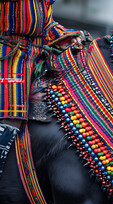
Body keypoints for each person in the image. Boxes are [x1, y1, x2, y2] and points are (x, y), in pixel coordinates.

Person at [0, 0, 84, 174]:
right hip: (7, 56)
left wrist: (65, 36)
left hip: (36, 57)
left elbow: (45, 25)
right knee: (10, 116)